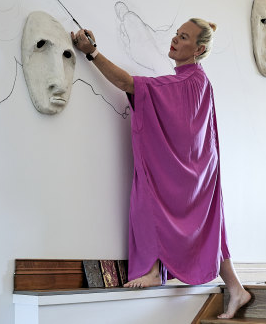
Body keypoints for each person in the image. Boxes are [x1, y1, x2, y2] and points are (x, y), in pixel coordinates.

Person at [71, 19, 252, 319]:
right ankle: (235, 288)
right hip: (202, 170)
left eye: (184, 37)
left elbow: (128, 83)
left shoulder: (187, 82)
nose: (175, 40)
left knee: (150, 192)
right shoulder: (199, 81)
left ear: (199, 48)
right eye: (176, 35)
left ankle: (154, 271)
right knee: (210, 224)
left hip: (194, 170)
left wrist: (92, 52)